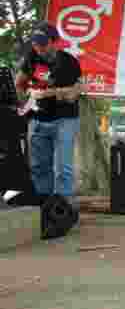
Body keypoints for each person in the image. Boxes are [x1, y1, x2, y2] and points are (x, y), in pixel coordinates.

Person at [14, 22, 83, 225]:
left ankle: (64, 210)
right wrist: (26, 93)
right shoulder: (31, 58)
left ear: (55, 42)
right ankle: (43, 209)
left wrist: (48, 93)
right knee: (38, 166)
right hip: (37, 119)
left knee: (63, 167)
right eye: (35, 44)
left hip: (65, 120)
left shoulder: (69, 62)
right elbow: (19, 83)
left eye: (43, 44)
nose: (38, 48)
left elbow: (73, 94)